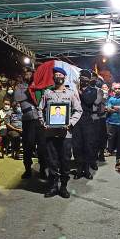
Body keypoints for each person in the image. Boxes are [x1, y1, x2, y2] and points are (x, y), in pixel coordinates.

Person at [38, 67, 82, 198]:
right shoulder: (47, 93)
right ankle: (53, 186)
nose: (58, 77)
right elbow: (40, 109)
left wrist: (71, 123)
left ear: (64, 77)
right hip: (50, 133)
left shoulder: (70, 93)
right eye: (56, 75)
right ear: (53, 77)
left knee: (65, 160)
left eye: (60, 75)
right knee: (52, 161)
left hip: (65, 134)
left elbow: (78, 110)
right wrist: (43, 123)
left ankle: (63, 186)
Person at [14, 66, 47, 179]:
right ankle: (27, 169)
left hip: (40, 119)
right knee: (28, 146)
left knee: (42, 146)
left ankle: (43, 169)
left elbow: (43, 97)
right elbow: (18, 97)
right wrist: (30, 91)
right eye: (25, 74)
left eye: (29, 73)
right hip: (28, 120)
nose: (27, 75)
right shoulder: (19, 86)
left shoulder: (38, 84)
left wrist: (34, 89)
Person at [72, 70, 99, 179]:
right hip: (75, 119)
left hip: (87, 119)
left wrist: (79, 91)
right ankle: (79, 169)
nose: (83, 81)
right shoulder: (73, 90)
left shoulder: (93, 90)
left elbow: (88, 101)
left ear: (89, 80)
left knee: (87, 145)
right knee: (77, 145)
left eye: (85, 79)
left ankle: (87, 170)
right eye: (81, 79)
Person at [106, 83, 120, 155]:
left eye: (119, 88)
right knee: (111, 137)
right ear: (113, 90)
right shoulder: (111, 98)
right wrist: (118, 108)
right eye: (115, 88)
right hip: (111, 121)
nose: (117, 90)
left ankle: (119, 151)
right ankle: (110, 151)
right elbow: (108, 109)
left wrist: (113, 107)